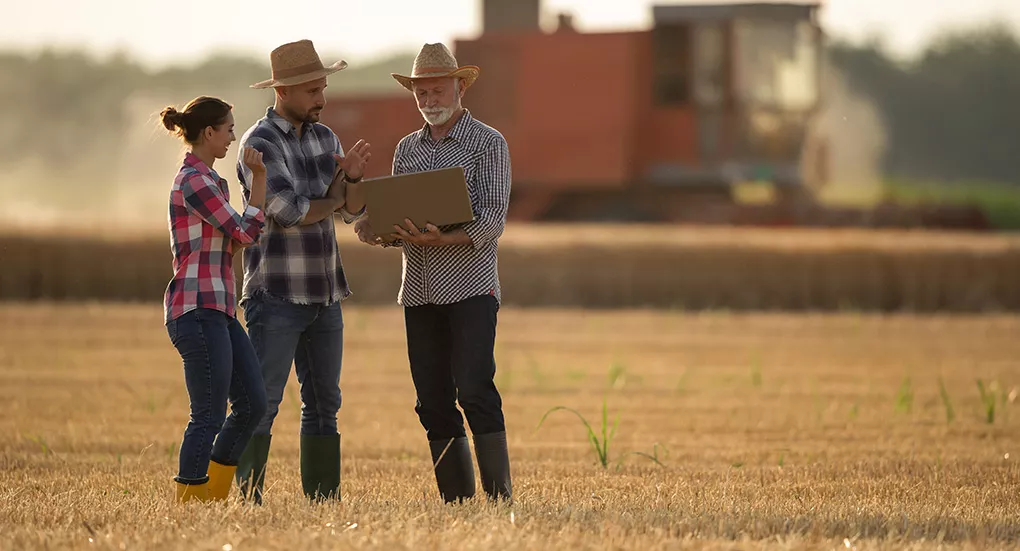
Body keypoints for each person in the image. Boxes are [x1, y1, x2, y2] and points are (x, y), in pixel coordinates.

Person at [354, 43, 512, 503]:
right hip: (419, 293)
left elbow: (492, 220)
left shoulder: (489, 143)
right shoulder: (406, 148)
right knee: (431, 401)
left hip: (470, 289)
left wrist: (442, 240)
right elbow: (399, 220)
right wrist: (377, 230)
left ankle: (500, 498)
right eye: (421, 93)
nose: (428, 100)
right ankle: (457, 503)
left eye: (437, 90)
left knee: (475, 388)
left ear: (459, 87)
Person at [232, 39, 371, 503]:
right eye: (313, 90)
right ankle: (249, 499)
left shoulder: (326, 138)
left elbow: (350, 212)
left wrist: (350, 178)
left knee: (326, 405)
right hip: (275, 295)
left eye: (322, 87)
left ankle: (323, 501)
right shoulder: (259, 143)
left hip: (326, 292)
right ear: (284, 92)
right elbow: (290, 211)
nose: (322, 98)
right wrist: (334, 200)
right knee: (262, 403)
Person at [159, 96, 269, 504]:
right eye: (228, 129)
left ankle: (212, 498)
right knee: (207, 413)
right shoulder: (196, 182)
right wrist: (258, 177)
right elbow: (244, 233)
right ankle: (191, 505)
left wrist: (244, 226)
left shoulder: (210, 181)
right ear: (209, 133)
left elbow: (233, 243)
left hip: (219, 308)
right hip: (197, 308)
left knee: (252, 404)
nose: (233, 137)